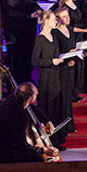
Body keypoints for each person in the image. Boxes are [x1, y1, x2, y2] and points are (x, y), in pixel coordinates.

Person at [0, 82, 59, 163]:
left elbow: (32, 107)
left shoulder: (14, 99)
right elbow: (21, 145)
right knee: (37, 158)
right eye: (36, 94)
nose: (37, 94)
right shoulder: (19, 116)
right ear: (30, 98)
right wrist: (42, 150)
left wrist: (47, 121)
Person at [31, 10, 69, 148]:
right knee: (48, 107)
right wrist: (51, 62)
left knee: (56, 106)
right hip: (46, 77)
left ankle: (57, 140)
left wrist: (65, 60)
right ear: (46, 21)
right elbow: (35, 60)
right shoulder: (40, 38)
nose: (56, 21)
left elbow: (57, 56)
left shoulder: (53, 36)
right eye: (53, 19)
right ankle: (48, 142)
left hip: (56, 75)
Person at [0, 0, 40, 84]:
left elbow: (27, 2)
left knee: (26, 55)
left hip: (26, 28)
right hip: (15, 30)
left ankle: (26, 80)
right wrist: (29, 15)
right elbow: (10, 12)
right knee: (16, 57)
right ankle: (16, 83)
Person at [52, 6, 78, 137]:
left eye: (68, 15)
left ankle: (69, 124)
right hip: (60, 69)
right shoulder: (55, 33)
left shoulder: (70, 30)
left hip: (70, 68)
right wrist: (68, 58)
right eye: (64, 16)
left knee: (68, 97)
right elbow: (56, 52)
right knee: (62, 97)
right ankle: (63, 126)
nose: (68, 18)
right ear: (57, 18)